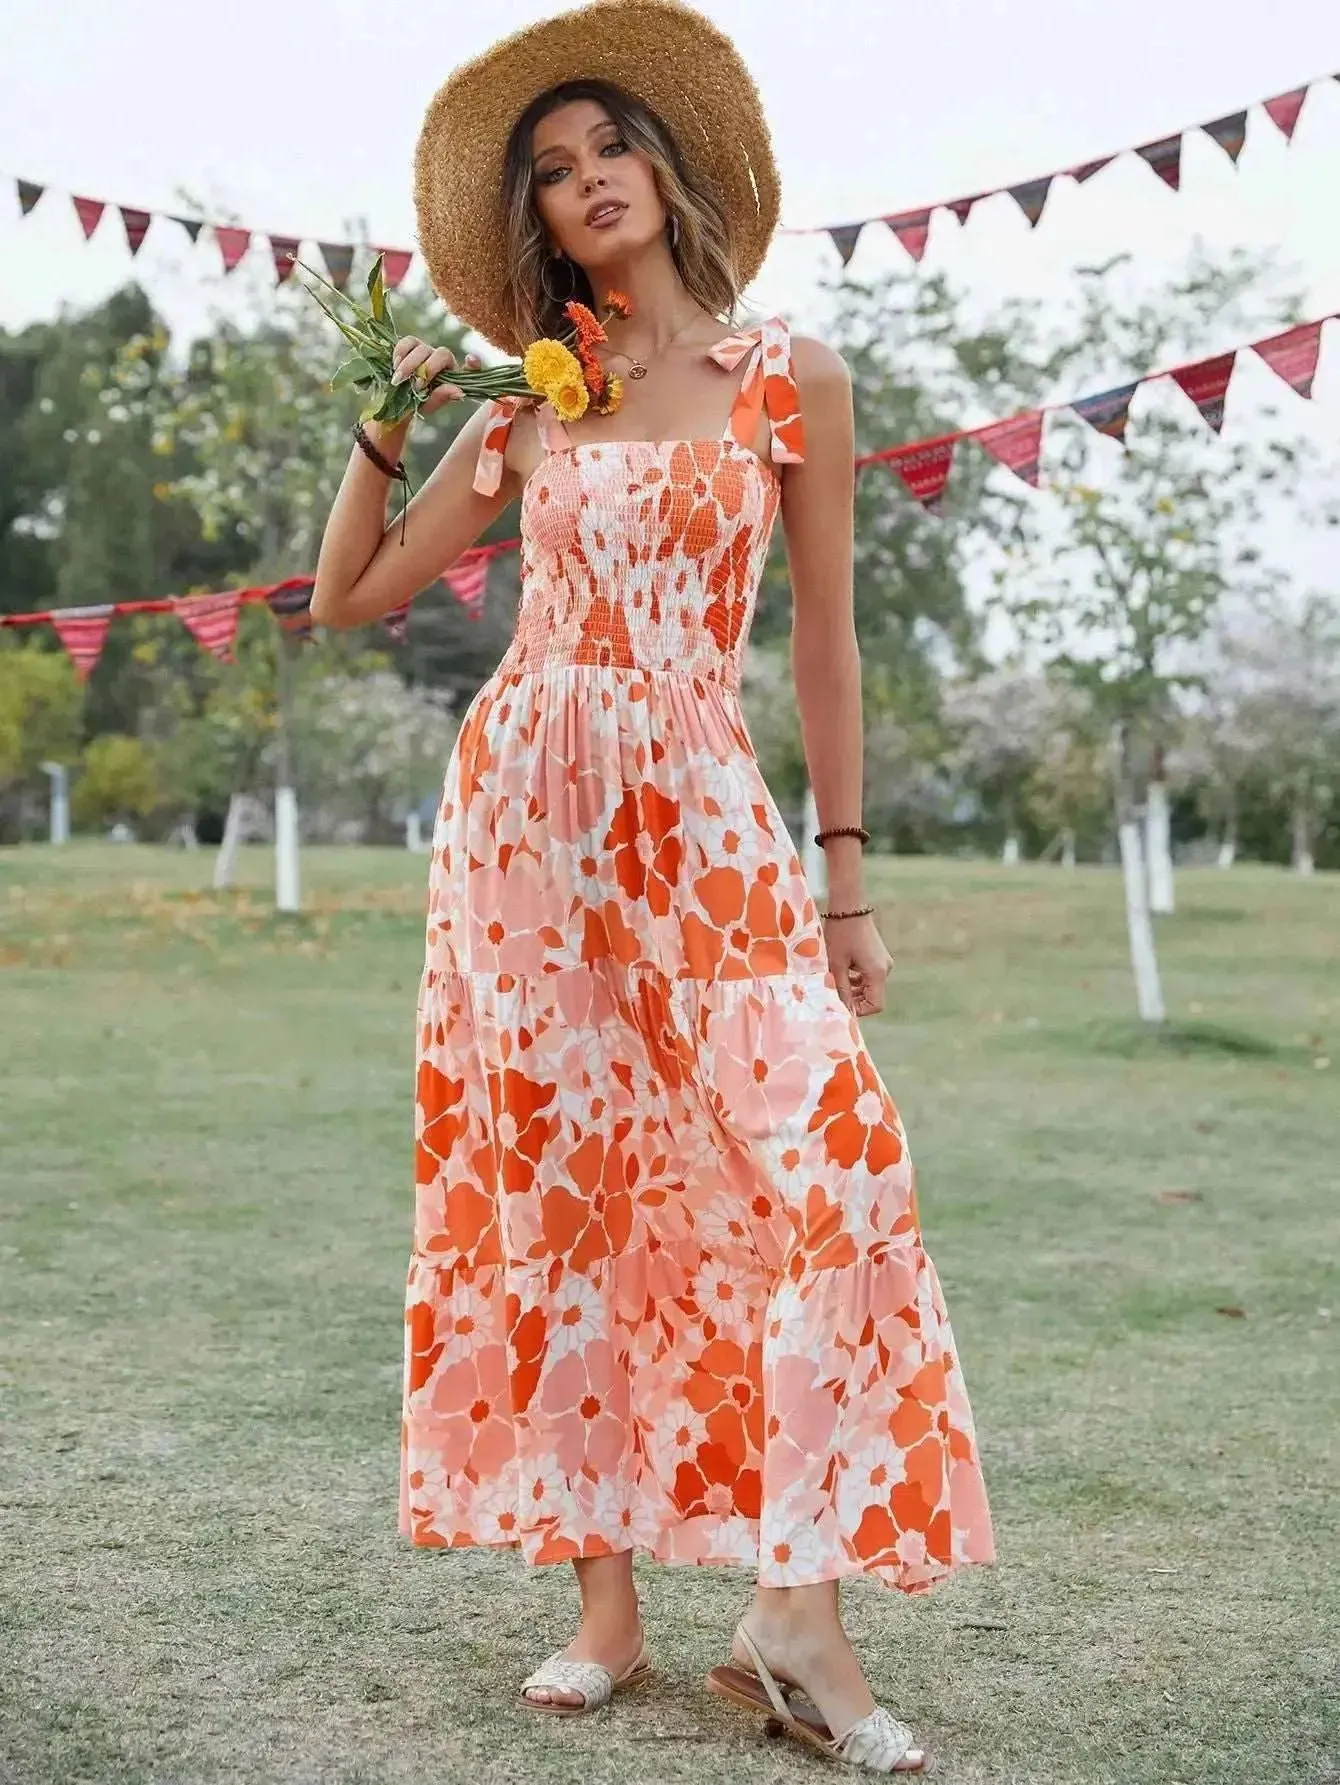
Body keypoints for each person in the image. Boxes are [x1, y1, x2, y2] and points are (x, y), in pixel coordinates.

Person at [311, 1, 994, 1771]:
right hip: (524, 819)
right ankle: (604, 1614)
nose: (588, 179)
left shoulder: (792, 377)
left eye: (608, 146)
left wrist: (844, 883)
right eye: (552, 171)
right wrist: (389, 421)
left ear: (669, 170)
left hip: (702, 816)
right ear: (535, 228)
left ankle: (792, 1614)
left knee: (840, 1166)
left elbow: (825, 641)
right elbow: (353, 601)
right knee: (561, 1195)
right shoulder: (540, 397)